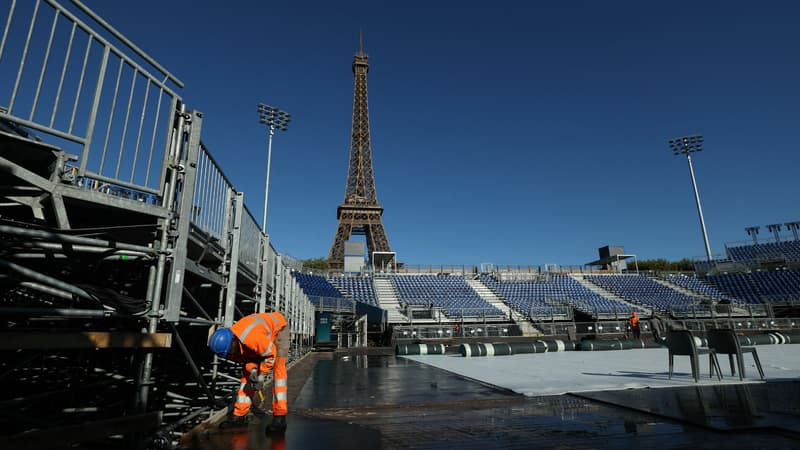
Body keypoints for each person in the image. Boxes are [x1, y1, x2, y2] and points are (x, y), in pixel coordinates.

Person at [208, 311, 289, 432]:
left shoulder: (251, 338)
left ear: (233, 341)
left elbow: (270, 354)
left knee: (279, 370)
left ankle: (280, 418)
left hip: (279, 329)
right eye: (228, 355)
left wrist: (261, 376)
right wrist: (252, 371)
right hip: (261, 337)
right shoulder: (233, 343)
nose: (232, 355)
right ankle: (239, 415)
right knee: (247, 376)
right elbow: (247, 361)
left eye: (231, 352)